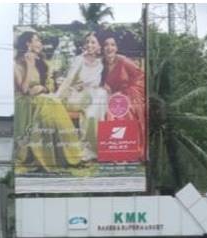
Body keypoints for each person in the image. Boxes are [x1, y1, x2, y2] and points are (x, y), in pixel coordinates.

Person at [13, 31, 86, 173]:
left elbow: (50, 87)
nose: (40, 43)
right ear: (28, 44)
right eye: (37, 40)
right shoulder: (17, 64)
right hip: (24, 101)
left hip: (43, 98)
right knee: (51, 103)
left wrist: (43, 88)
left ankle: (71, 156)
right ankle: (62, 157)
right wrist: (29, 65)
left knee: (52, 103)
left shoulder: (43, 63)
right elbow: (24, 89)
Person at [55, 32, 107, 155]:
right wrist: (57, 97)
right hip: (75, 97)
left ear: (99, 46)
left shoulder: (101, 63)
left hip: (92, 99)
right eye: (87, 42)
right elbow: (68, 80)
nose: (89, 45)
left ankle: (95, 148)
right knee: (97, 97)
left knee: (99, 96)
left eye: (93, 42)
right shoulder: (79, 60)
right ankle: (88, 149)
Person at [100, 32, 147, 159]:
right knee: (107, 108)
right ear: (102, 48)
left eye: (112, 45)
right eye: (106, 45)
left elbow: (142, 76)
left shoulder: (123, 60)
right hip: (112, 96)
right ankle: (113, 151)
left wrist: (126, 92)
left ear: (116, 48)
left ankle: (127, 150)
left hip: (131, 93)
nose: (109, 48)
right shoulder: (101, 64)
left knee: (120, 110)